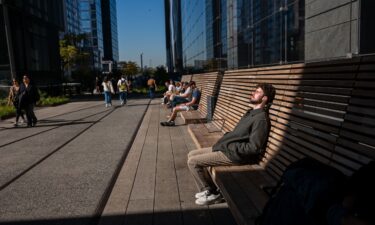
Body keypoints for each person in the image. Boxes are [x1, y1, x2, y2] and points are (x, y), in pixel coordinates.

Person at [187, 83, 276, 205]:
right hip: (228, 147)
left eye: (257, 92)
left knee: (193, 162)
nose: (253, 93)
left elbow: (254, 147)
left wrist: (230, 146)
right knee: (191, 154)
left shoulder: (261, 119)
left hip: (235, 154)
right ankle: (210, 189)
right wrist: (227, 142)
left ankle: (212, 193)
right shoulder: (251, 113)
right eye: (254, 90)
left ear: (265, 98)